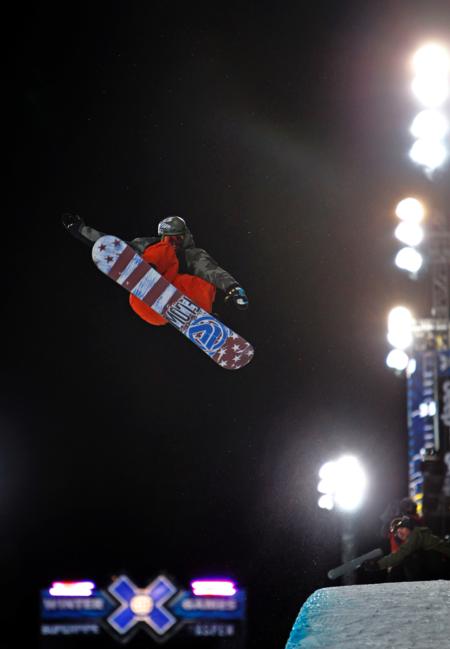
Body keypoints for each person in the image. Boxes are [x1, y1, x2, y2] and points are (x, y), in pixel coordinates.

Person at [62, 213, 249, 326]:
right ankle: (147, 275)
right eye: (168, 238)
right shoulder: (154, 246)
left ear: (185, 238)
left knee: (205, 282)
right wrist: (81, 230)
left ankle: (202, 318)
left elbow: (211, 271)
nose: (173, 243)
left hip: (169, 312)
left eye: (177, 239)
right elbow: (116, 247)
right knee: (163, 251)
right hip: (144, 300)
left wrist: (233, 288)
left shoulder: (192, 254)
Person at [364, 516, 450, 580]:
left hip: (444, 565)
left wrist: (378, 564)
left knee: (407, 558)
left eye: (402, 528)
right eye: (397, 533)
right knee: (407, 558)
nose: (399, 533)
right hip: (442, 564)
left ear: (409, 527)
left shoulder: (416, 534)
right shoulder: (416, 535)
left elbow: (401, 553)